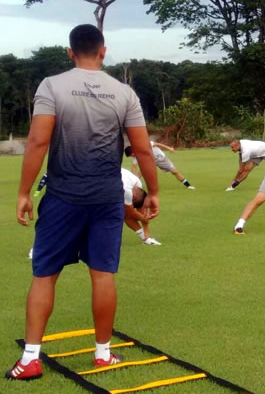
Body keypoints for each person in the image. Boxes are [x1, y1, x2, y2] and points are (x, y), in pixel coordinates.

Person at [7, 24, 159, 381]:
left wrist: (24, 192)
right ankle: (103, 354)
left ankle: (31, 359)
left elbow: (37, 143)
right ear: (103, 51)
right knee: (102, 275)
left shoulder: (52, 85)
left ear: (70, 52)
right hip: (107, 197)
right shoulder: (124, 93)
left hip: (63, 196)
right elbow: (141, 148)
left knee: (44, 275)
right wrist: (153, 191)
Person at [125, 140, 195, 189]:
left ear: (134, 150)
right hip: (150, 162)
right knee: (140, 173)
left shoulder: (144, 145)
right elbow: (134, 167)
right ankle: (132, 186)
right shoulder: (135, 156)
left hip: (161, 159)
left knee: (174, 172)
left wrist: (169, 148)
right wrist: (132, 177)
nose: (132, 156)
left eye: (132, 155)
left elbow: (157, 144)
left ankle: (188, 185)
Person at [122, 168, 162, 245]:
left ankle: (146, 238)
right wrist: (144, 219)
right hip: (100, 180)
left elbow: (141, 207)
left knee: (127, 214)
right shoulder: (127, 191)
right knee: (126, 214)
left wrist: (145, 221)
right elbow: (131, 212)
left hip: (112, 180)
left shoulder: (138, 184)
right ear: (133, 197)